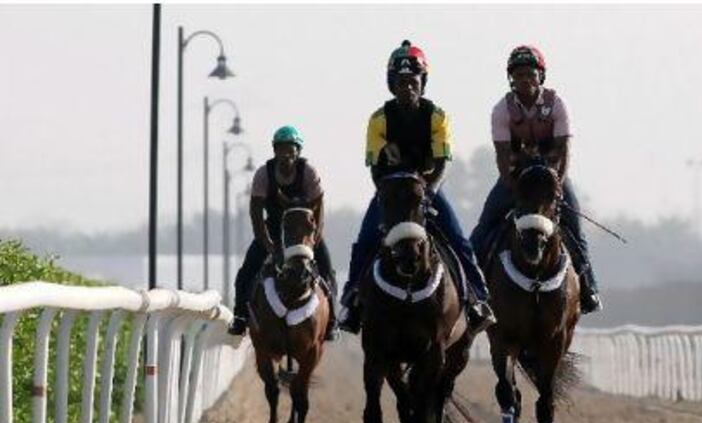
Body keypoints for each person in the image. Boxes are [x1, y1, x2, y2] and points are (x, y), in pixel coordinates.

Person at [338, 40, 496, 335]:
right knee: (366, 240)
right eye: (401, 82)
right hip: (390, 191)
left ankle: (478, 299)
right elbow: (375, 169)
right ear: (391, 84)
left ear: (422, 83)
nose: (407, 87)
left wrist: (429, 192)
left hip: (427, 188)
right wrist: (388, 198)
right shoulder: (378, 119)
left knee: (458, 238)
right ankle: (351, 301)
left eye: (413, 81)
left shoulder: (437, 116)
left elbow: (442, 163)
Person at [469, 44, 602, 314]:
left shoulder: (557, 104)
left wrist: (557, 184)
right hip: (517, 178)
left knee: (575, 229)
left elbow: (564, 151)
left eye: (530, 74)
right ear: (511, 80)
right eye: (518, 76)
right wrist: (513, 187)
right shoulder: (501, 110)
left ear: (541, 76)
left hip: (552, 176)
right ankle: (474, 291)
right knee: (483, 227)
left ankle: (588, 288)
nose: (524, 80)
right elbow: (503, 157)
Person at [228, 125, 339, 339]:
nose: (286, 154)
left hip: (304, 229)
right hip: (274, 228)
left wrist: (314, 238)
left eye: (291, 149)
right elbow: (256, 213)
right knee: (247, 271)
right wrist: (267, 242)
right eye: (281, 149)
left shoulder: (308, 172)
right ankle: (240, 315)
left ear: (298, 151)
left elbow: (319, 208)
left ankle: (333, 320)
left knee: (327, 269)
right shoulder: (263, 174)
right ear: (274, 151)